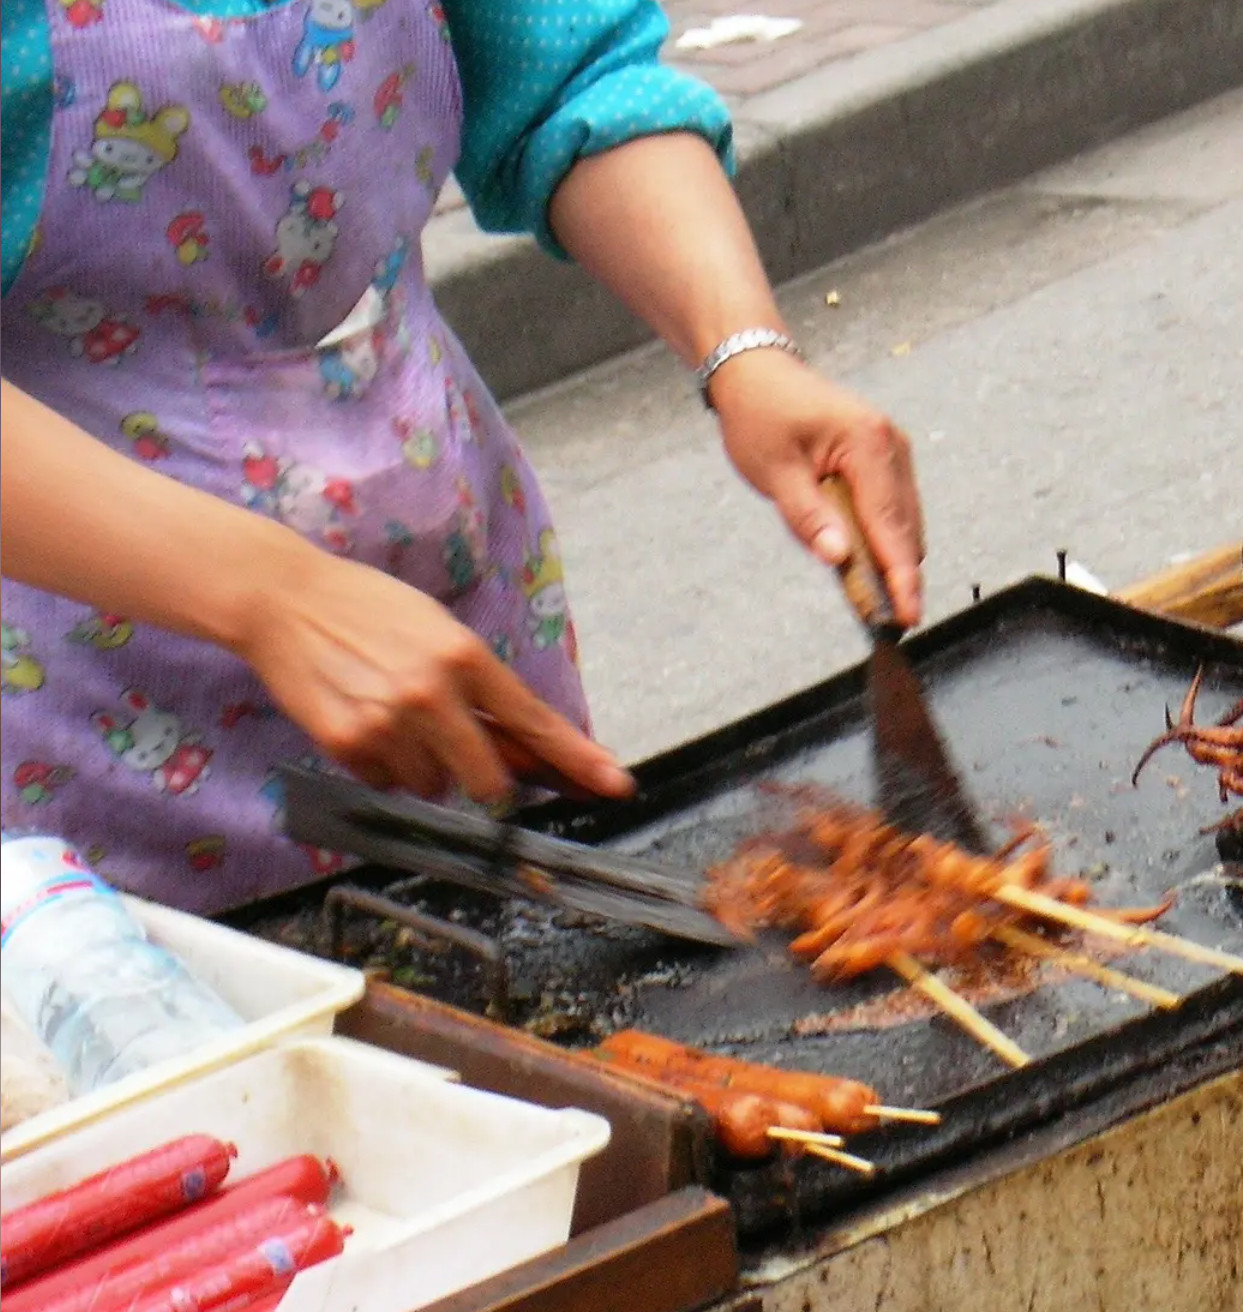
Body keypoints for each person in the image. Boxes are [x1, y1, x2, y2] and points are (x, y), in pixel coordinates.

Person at [0, 0, 924, 914]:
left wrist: (743, 349)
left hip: (453, 606)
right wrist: (270, 593)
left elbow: (569, 71)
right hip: (89, 720)